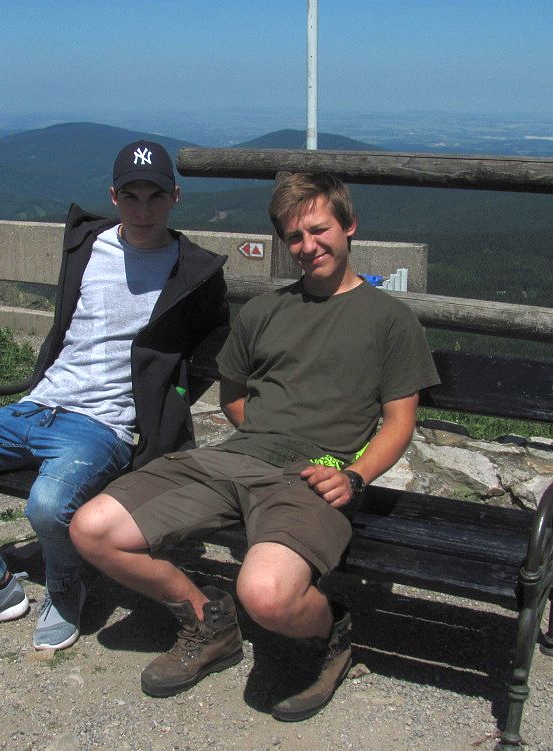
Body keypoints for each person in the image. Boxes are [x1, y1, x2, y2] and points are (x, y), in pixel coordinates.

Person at [70, 172, 440, 720]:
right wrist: (264, 435)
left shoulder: (390, 319)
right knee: (92, 529)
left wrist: (354, 475)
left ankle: (333, 633)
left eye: (320, 230)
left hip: (316, 472)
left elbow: (399, 422)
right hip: (233, 456)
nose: (308, 246)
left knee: (266, 595)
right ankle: (208, 622)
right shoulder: (264, 311)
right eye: (295, 237)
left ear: (349, 227)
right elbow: (234, 397)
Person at [0, 140, 228, 651]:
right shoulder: (88, 244)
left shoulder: (193, 271)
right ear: (113, 196)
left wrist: (165, 402)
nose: (143, 209)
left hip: (102, 426)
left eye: (155, 196)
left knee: (47, 505)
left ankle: (65, 590)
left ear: (175, 197)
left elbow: (209, 350)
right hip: (36, 405)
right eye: (131, 196)